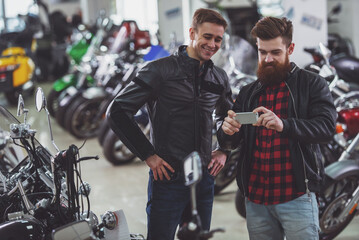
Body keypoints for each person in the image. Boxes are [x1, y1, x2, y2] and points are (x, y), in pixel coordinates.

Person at [106, 8, 232, 240]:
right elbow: (117, 111)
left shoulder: (219, 77)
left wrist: (224, 149)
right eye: (207, 36)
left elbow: (226, 116)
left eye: (218, 39)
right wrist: (148, 155)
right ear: (192, 32)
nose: (213, 44)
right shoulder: (159, 70)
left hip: (204, 177)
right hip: (168, 177)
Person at [217, 16, 337, 240]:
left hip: (297, 197)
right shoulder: (249, 92)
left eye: (275, 52)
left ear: (290, 48)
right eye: (263, 52)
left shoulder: (312, 84)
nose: (268, 59)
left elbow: (326, 127)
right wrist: (227, 130)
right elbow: (231, 142)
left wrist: (285, 125)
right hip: (256, 200)